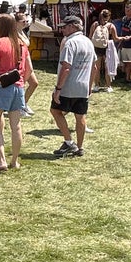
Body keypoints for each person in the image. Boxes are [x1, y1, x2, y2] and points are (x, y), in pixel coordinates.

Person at [0, 13, 30, 172]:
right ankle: (14, 160)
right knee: (16, 126)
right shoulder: (22, 44)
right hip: (18, 87)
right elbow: (29, 69)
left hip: (1, 87)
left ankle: (1, 160)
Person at [49, 15, 93, 157]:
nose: (62, 30)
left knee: (55, 111)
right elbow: (94, 67)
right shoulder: (88, 42)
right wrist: (90, 85)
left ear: (73, 26)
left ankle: (69, 142)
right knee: (80, 117)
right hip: (83, 87)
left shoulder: (70, 43)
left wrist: (58, 89)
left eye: (64, 27)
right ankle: (79, 148)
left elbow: (66, 67)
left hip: (68, 87)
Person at [88, 9, 118, 92]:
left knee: (96, 67)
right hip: (107, 48)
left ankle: (96, 85)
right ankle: (108, 86)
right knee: (108, 67)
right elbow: (115, 38)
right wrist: (125, 38)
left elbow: (90, 37)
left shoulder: (95, 24)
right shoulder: (111, 26)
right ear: (109, 16)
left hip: (96, 47)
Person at [15, 5, 38, 115]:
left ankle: (23, 103)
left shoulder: (22, 32)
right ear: (17, 22)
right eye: (23, 21)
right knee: (22, 84)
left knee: (34, 83)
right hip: (21, 60)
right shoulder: (14, 33)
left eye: (26, 21)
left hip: (27, 58)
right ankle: (19, 106)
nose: (25, 23)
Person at [116, 1, 131, 85]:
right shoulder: (124, 19)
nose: (126, 11)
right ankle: (127, 79)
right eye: (125, 9)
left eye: (128, 10)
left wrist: (130, 37)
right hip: (124, 45)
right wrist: (121, 42)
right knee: (127, 63)